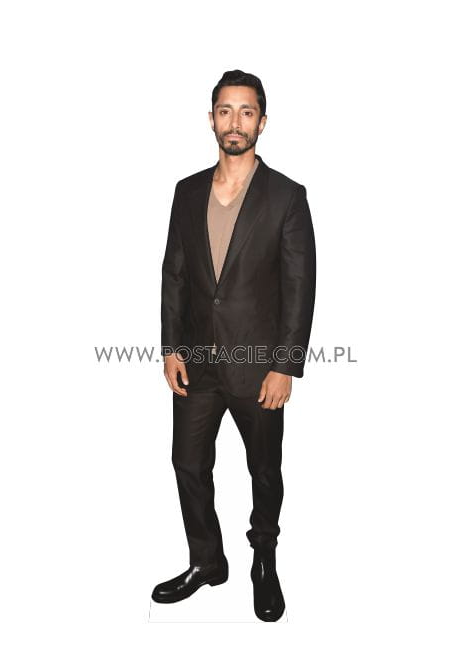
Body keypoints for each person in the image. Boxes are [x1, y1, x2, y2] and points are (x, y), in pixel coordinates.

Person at [151, 69, 316, 622]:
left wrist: (285, 365)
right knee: (187, 463)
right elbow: (174, 275)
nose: (235, 122)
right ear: (211, 119)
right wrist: (171, 348)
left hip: (258, 366)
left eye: (247, 112)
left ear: (262, 122)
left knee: (264, 470)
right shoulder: (187, 191)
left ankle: (263, 558)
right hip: (197, 362)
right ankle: (207, 560)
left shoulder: (286, 196)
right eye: (226, 111)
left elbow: (299, 286)